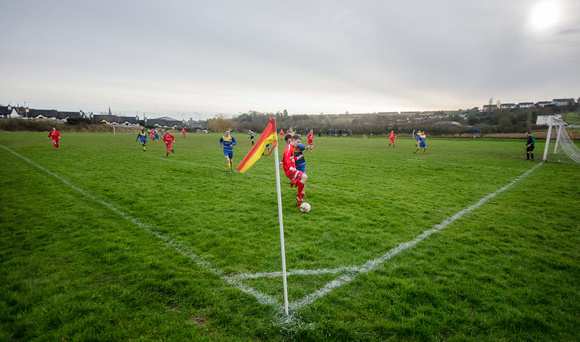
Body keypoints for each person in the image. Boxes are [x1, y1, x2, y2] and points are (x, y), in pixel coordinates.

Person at [282, 134, 308, 206]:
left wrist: (297, 158)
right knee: (304, 177)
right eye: (298, 142)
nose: (298, 144)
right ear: (293, 140)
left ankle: (299, 200)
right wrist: (290, 168)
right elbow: (287, 159)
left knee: (302, 179)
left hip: (291, 170)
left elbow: (291, 159)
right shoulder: (289, 148)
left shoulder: (292, 147)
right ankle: (299, 196)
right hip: (289, 171)